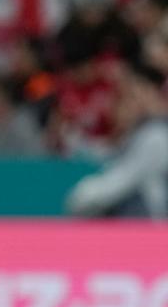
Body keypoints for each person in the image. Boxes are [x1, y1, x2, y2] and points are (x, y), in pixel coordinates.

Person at [65, 66, 168, 218]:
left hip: (151, 227)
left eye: (132, 95)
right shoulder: (137, 133)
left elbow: (123, 180)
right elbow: (109, 154)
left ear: (151, 93)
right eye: (125, 97)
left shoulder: (156, 135)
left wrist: (84, 194)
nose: (126, 104)